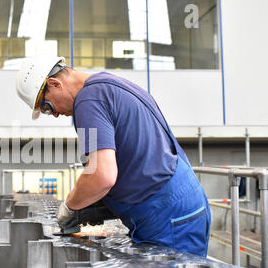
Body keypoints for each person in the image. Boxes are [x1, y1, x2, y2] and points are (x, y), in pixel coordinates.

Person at [15, 56, 211, 257]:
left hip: (167, 216)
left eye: (47, 107)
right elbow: (135, 158)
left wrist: (70, 207)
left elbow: (102, 175)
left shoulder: (87, 101)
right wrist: (98, 204)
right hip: (178, 207)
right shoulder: (108, 84)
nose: (54, 114)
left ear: (55, 84)